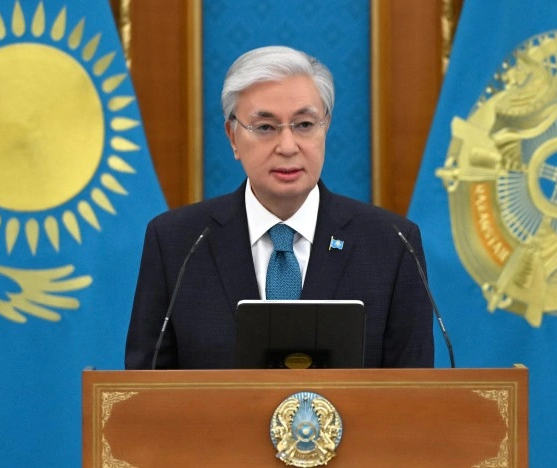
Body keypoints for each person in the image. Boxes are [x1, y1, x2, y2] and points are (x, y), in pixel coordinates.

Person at [125, 45, 434, 369]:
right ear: (233, 137)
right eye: (265, 127)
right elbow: (145, 387)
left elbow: (413, 389)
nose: (287, 147)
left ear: (325, 127)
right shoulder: (177, 242)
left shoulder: (393, 244)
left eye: (304, 125)